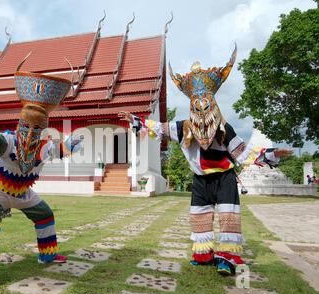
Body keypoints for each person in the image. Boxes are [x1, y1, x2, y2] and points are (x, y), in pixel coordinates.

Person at [119, 44, 293, 277]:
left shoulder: (224, 128)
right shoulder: (182, 128)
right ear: (192, 107)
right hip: (200, 180)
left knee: (228, 219)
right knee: (199, 217)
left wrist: (271, 154)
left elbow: (243, 153)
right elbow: (157, 128)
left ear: (213, 105)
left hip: (225, 178)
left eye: (205, 106)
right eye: (197, 107)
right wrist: (136, 119)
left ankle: (228, 259)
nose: (201, 112)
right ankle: (203, 255)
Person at [0, 61, 82, 294]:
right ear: (19, 124)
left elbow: (58, 151)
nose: (30, 132)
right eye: (26, 125)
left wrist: (69, 146)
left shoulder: (44, 148)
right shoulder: (7, 141)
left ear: (44, 129)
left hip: (23, 192)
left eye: (37, 128)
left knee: (45, 215)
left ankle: (47, 255)